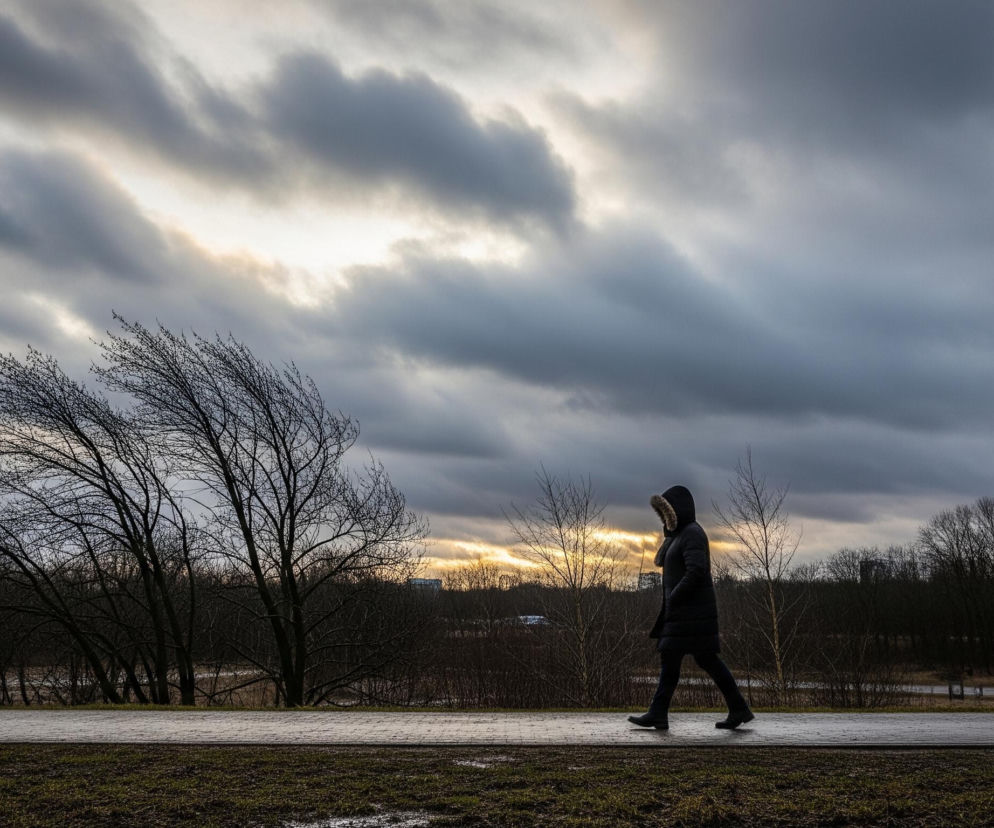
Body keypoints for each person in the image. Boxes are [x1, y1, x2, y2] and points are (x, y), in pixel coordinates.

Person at [628, 485, 754, 730]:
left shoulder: (692, 534)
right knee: (683, 661)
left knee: (700, 661)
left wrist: (675, 595)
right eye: (662, 515)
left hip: (692, 614)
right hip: (682, 615)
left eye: (667, 513)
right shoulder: (679, 536)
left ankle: (660, 713)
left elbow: (697, 570)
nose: (664, 519)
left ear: (677, 512)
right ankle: (735, 709)